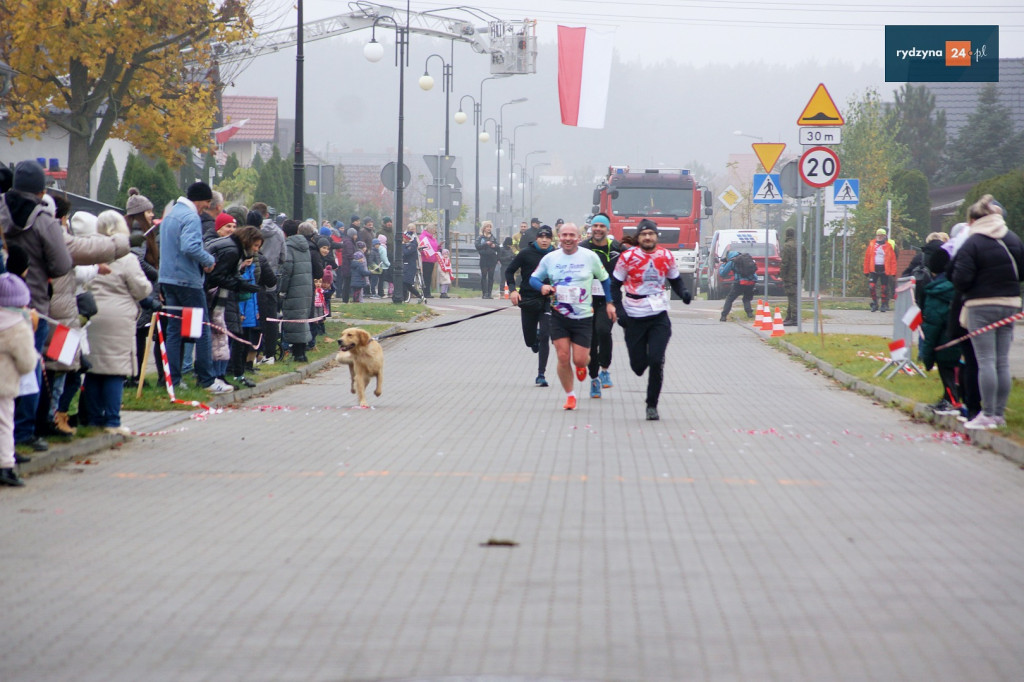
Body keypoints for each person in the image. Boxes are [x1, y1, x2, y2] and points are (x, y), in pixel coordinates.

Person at [1, 160, 74, 452]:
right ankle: (25, 431)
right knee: (29, 366)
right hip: (33, 303)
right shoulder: (43, 220)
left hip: (2, 298)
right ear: (41, 190)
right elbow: (61, 264)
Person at [951, 194, 1024, 430]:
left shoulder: (973, 242)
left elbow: (961, 279)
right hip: (1010, 304)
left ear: (974, 219)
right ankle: (999, 414)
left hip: (980, 307)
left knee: (986, 361)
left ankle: (988, 413)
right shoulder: (1012, 238)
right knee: (1002, 361)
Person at [611, 219, 692, 421]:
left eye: (651, 234)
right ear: (638, 238)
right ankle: (646, 359)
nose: (648, 237)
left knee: (656, 361)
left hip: (658, 315)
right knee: (638, 367)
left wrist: (683, 293)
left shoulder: (665, 255)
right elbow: (614, 285)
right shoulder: (628, 257)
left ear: (656, 236)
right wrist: (620, 311)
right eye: (644, 234)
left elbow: (675, 279)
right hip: (634, 316)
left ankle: (651, 405)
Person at [529, 222, 615, 410]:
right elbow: (533, 278)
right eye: (564, 235)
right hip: (559, 315)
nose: (568, 238)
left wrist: (609, 302)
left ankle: (584, 364)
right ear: (558, 237)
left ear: (579, 237)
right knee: (562, 356)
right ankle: (570, 396)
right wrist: (542, 286)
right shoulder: (550, 258)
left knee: (579, 359)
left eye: (571, 235)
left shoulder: (589, 257)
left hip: (583, 316)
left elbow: (605, 279)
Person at [158, 181, 233, 394]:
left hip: (168, 279)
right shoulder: (191, 217)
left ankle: (173, 379)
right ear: (201, 200)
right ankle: (207, 380)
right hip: (188, 281)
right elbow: (190, 246)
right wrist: (208, 260)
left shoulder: (171, 214)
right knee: (202, 328)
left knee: (175, 330)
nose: (205, 209)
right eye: (206, 204)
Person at [83, 211, 153, 435]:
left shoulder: (89, 252)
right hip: (118, 318)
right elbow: (141, 289)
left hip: (91, 314)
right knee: (115, 370)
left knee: (93, 368)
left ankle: (94, 419)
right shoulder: (126, 257)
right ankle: (112, 421)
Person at [206, 225, 265, 388]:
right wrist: (241, 285)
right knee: (221, 336)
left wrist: (241, 283)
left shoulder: (232, 247)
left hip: (219, 296)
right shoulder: (232, 251)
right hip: (214, 297)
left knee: (224, 336)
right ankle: (215, 375)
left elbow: (228, 275)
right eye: (255, 246)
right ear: (247, 241)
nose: (255, 250)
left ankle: (222, 374)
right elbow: (217, 277)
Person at [580, 213, 624, 398]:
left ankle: (605, 369)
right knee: (591, 341)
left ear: (608, 229)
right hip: (586, 300)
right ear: (591, 228)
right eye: (595, 226)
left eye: (602, 226)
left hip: (609, 300)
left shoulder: (617, 248)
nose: (598, 229)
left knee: (603, 331)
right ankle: (594, 379)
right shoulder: (582, 248)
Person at [506, 224, 556, 386]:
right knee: (530, 341)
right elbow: (509, 271)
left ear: (551, 239)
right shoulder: (526, 253)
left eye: (547, 237)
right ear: (536, 238)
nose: (544, 240)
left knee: (545, 336)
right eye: (541, 237)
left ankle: (541, 374)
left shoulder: (555, 254)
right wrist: (513, 290)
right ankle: (534, 339)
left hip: (546, 301)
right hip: (527, 300)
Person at [0, 273, 38, 486]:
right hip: (4, 384)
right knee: (5, 424)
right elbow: (27, 363)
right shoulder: (17, 326)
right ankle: (5, 466)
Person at [919, 247, 961, 416]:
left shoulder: (935, 292)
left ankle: (952, 402)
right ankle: (953, 400)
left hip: (945, 343)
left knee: (947, 372)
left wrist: (927, 357)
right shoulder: (958, 284)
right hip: (962, 339)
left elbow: (931, 327)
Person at [278, 219, 313, 363]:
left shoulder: (289, 247)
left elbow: (286, 271)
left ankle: (298, 354)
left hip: (293, 288)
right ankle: (301, 352)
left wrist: (282, 290)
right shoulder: (305, 247)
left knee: (293, 320)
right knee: (302, 319)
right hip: (305, 288)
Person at [863, 228, 897, 312]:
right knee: (871, 286)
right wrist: (866, 270)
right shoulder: (872, 244)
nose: (880, 237)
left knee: (884, 288)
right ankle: (875, 303)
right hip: (873, 269)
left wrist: (893, 272)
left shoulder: (888, 246)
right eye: (878, 235)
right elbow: (867, 258)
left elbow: (893, 260)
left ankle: (884, 304)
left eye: (881, 235)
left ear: (885, 236)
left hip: (884, 269)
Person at [718, 250, 757, 321]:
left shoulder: (732, 261)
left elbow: (722, 273)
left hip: (740, 282)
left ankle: (723, 316)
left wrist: (723, 265)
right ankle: (749, 313)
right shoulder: (746, 259)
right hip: (751, 282)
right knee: (746, 298)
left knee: (730, 299)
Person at [779, 227, 803, 326]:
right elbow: (804, 262)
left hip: (790, 276)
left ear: (786, 235)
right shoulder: (801, 246)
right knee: (792, 295)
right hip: (798, 275)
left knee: (792, 297)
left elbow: (784, 263)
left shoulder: (787, 246)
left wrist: (782, 275)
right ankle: (789, 317)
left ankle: (794, 318)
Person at [476, 221, 499, 298]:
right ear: (484, 228)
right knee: (484, 275)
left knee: (491, 276)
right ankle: (484, 293)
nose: (489, 228)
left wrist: (494, 245)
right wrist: (486, 243)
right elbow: (477, 246)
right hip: (484, 258)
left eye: (490, 227)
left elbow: (498, 247)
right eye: (487, 227)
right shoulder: (480, 237)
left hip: (492, 258)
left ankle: (489, 293)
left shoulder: (493, 237)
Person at [401, 229, 423, 302]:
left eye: (404, 237)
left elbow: (406, 252)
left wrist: (402, 245)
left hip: (410, 267)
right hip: (405, 266)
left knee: (405, 283)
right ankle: (419, 296)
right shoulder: (407, 245)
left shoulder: (412, 246)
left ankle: (403, 299)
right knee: (407, 285)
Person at [418, 225, 439, 298]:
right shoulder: (423, 237)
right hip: (425, 259)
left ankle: (428, 292)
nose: (434, 231)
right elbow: (422, 247)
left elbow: (434, 247)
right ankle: (425, 292)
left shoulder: (432, 238)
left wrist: (439, 247)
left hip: (431, 260)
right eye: (433, 229)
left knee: (429, 277)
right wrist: (426, 253)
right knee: (426, 276)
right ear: (429, 229)